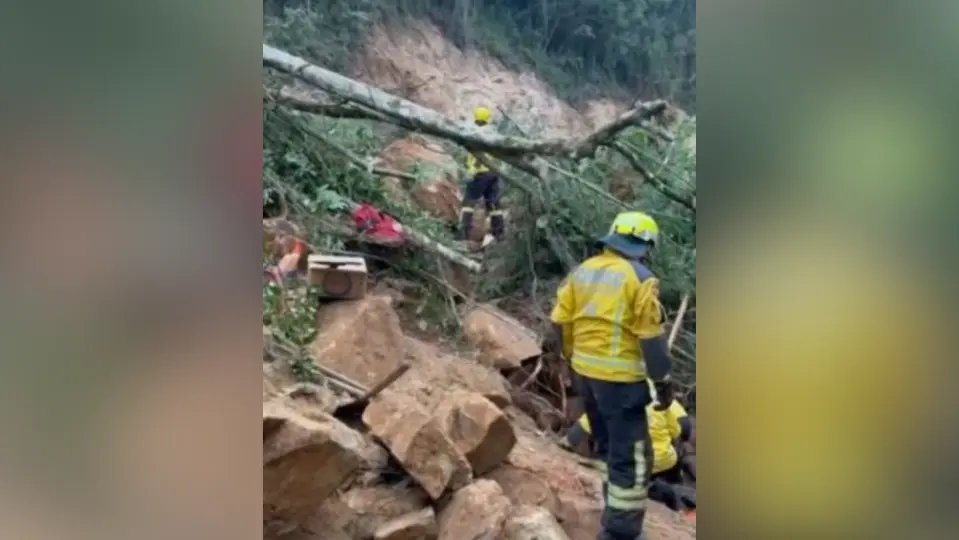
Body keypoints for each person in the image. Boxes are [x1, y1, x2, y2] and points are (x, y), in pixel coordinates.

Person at [545, 211, 673, 540]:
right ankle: (621, 532)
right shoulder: (640, 279)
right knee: (632, 458)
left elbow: (560, 322)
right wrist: (662, 382)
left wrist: (569, 360)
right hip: (621, 382)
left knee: (606, 447)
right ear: (646, 245)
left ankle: (614, 516)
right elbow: (650, 338)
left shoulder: (582, 271)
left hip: (586, 376)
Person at [458, 106, 505, 246]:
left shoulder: (474, 132)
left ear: (476, 117)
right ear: (487, 119)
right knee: (493, 204)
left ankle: (463, 234)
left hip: (479, 173)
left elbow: (474, 156)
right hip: (493, 173)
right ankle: (499, 234)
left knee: (468, 203)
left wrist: (471, 169)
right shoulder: (493, 133)